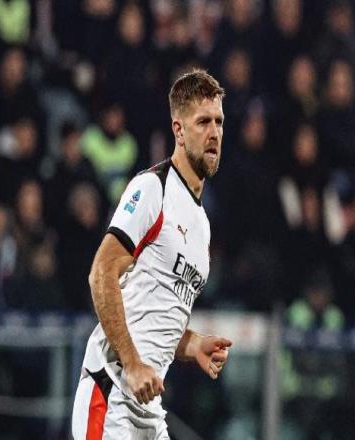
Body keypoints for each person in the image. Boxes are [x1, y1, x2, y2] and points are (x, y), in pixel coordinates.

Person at [72, 69, 232, 439]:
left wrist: (194, 344)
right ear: (179, 130)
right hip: (111, 392)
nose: (214, 133)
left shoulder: (202, 225)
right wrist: (131, 363)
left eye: (219, 122)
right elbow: (101, 274)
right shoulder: (152, 189)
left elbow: (154, 317)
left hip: (148, 407)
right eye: (203, 122)